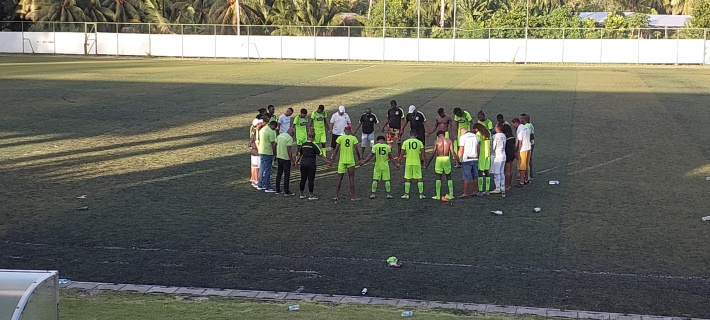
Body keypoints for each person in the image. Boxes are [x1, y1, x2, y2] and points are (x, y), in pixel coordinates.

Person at [296, 130, 332, 200]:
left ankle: (301, 194)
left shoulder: (303, 144)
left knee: (303, 179)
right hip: (311, 164)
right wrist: (328, 162)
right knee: (310, 179)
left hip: (303, 163)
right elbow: (321, 155)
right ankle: (311, 195)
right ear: (314, 137)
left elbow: (299, 155)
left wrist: (296, 162)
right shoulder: (314, 145)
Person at [426, 131, 460, 201]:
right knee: (449, 176)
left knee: (438, 176)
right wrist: (458, 161)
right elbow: (453, 152)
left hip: (439, 159)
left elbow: (433, 153)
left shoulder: (436, 142)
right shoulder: (449, 141)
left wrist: (428, 163)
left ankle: (438, 195)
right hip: (446, 158)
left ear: (438, 135)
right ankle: (451, 194)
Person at [331, 126, 361, 201]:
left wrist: (332, 159)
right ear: (350, 130)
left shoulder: (340, 138)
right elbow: (357, 150)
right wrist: (359, 159)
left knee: (339, 178)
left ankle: (336, 195)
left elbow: (336, 150)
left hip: (342, 161)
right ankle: (353, 196)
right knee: (351, 178)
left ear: (344, 130)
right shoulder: (353, 138)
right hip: (350, 161)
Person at [398, 130, 426, 200]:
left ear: (409, 135)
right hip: (417, 162)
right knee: (419, 177)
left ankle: (406, 194)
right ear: (416, 135)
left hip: (408, 162)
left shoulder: (406, 142)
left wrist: (399, 161)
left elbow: (402, 153)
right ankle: (421, 194)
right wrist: (423, 161)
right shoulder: (419, 142)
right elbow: (423, 154)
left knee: (407, 178)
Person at [457, 127, 479, 197]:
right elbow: (478, 148)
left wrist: (458, 159)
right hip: (475, 158)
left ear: (462, 132)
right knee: (475, 176)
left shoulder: (463, 137)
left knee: (466, 177)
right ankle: (475, 191)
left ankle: (465, 193)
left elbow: (461, 149)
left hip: (467, 159)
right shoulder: (476, 136)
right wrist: (477, 156)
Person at [257, 121, 278, 192]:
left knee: (261, 168)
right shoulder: (271, 132)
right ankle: (267, 186)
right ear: (274, 126)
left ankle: (260, 184)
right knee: (268, 170)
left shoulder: (262, 129)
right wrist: (275, 154)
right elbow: (273, 145)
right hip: (268, 152)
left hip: (261, 151)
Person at [275, 128, 296, 195]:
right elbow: (289, 150)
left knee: (279, 174)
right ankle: (286, 191)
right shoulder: (289, 138)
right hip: (286, 159)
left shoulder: (280, 135)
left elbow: (274, 145)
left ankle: (277, 189)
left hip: (279, 157)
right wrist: (292, 160)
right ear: (292, 133)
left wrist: (275, 154)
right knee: (286, 175)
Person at [512, 118, 531, 187]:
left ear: (515, 123)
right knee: (526, 165)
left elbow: (520, 142)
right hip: (528, 148)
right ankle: (526, 179)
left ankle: (521, 182)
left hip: (522, 149)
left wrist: (517, 151)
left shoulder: (520, 130)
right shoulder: (526, 127)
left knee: (521, 167)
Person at [473, 123, 491, 196]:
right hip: (488, 154)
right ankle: (487, 189)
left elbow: (478, 146)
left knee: (480, 172)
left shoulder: (478, 134)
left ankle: (480, 190)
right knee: (486, 171)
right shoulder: (488, 132)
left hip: (482, 155)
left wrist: (477, 155)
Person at [490, 123, 507, 197]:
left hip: (497, 156)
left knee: (496, 173)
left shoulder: (496, 136)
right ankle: (502, 187)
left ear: (498, 128)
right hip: (503, 155)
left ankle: (497, 188)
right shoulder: (504, 135)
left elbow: (493, 147)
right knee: (501, 172)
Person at [249, 118, 266, 188]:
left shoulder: (253, 129)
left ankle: (253, 179)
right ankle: (256, 181)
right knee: (257, 167)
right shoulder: (257, 132)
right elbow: (257, 142)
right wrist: (260, 151)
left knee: (253, 166)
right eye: (259, 123)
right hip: (256, 152)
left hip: (253, 151)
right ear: (257, 125)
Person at [520, 113, 535, 180]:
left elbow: (530, 136)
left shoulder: (527, 126)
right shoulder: (530, 125)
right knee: (529, 160)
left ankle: (527, 175)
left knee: (527, 160)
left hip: (528, 145)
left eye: (521, 118)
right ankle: (528, 175)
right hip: (531, 143)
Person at [502, 124, 516, 191]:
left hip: (507, 154)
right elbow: (514, 145)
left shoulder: (505, 137)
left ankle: (506, 185)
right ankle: (509, 184)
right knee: (510, 170)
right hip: (512, 154)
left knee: (506, 171)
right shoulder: (512, 136)